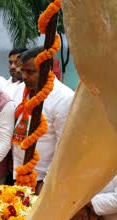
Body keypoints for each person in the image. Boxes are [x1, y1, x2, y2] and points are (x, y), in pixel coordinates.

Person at [12, 47, 74, 192]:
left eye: (31, 72)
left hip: (42, 179)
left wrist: (47, 183)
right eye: (23, 71)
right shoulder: (19, 90)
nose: (25, 76)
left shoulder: (64, 98)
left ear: (47, 70)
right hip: (17, 173)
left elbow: (63, 147)